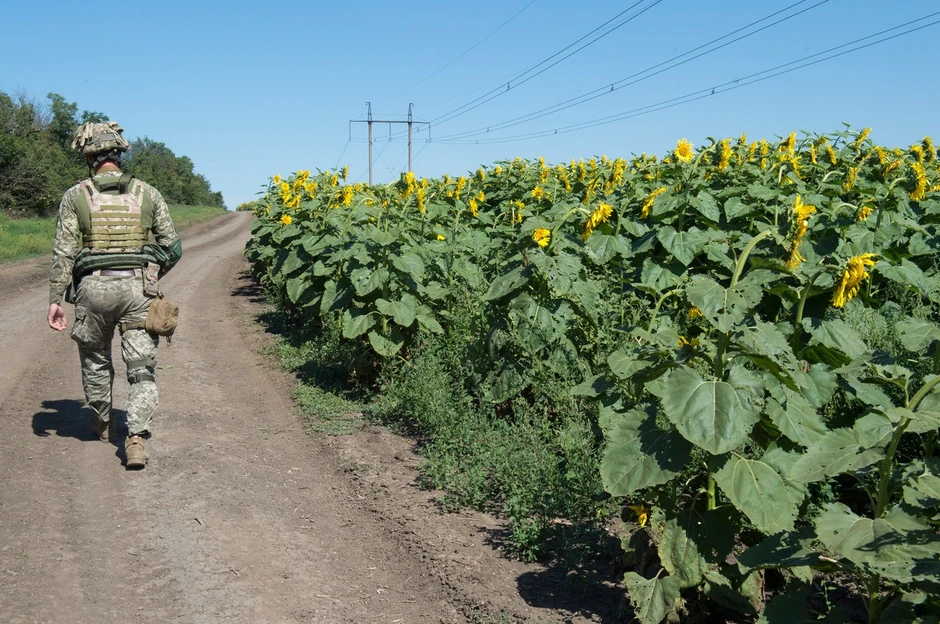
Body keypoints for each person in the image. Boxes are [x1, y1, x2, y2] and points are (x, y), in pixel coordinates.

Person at [47, 121, 182, 469]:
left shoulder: (75, 196)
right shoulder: (147, 193)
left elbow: (64, 252)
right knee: (141, 368)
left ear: (90, 157)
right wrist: (152, 273)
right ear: (120, 155)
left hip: (93, 289)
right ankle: (136, 439)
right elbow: (173, 246)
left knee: (95, 359)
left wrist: (55, 300)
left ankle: (103, 421)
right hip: (139, 289)